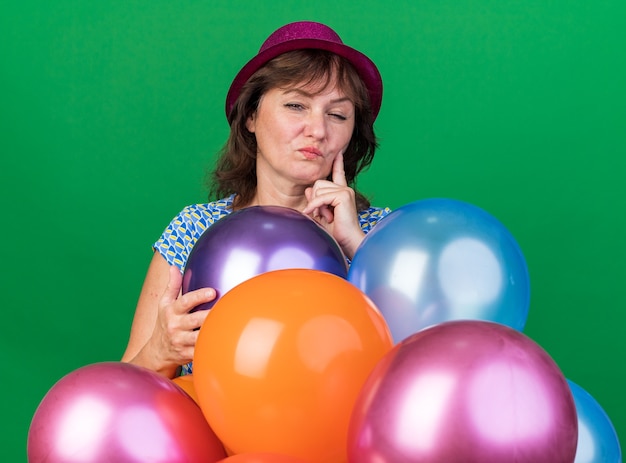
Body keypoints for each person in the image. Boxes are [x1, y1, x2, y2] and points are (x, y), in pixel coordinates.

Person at [121, 21, 391, 378]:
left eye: (337, 114)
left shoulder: (378, 235)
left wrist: (357, 247)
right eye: (296, 105)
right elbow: (125, 389)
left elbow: (418, 366)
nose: (318, 129)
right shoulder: (194, 229)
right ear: (251, 115)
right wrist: (160, 350)